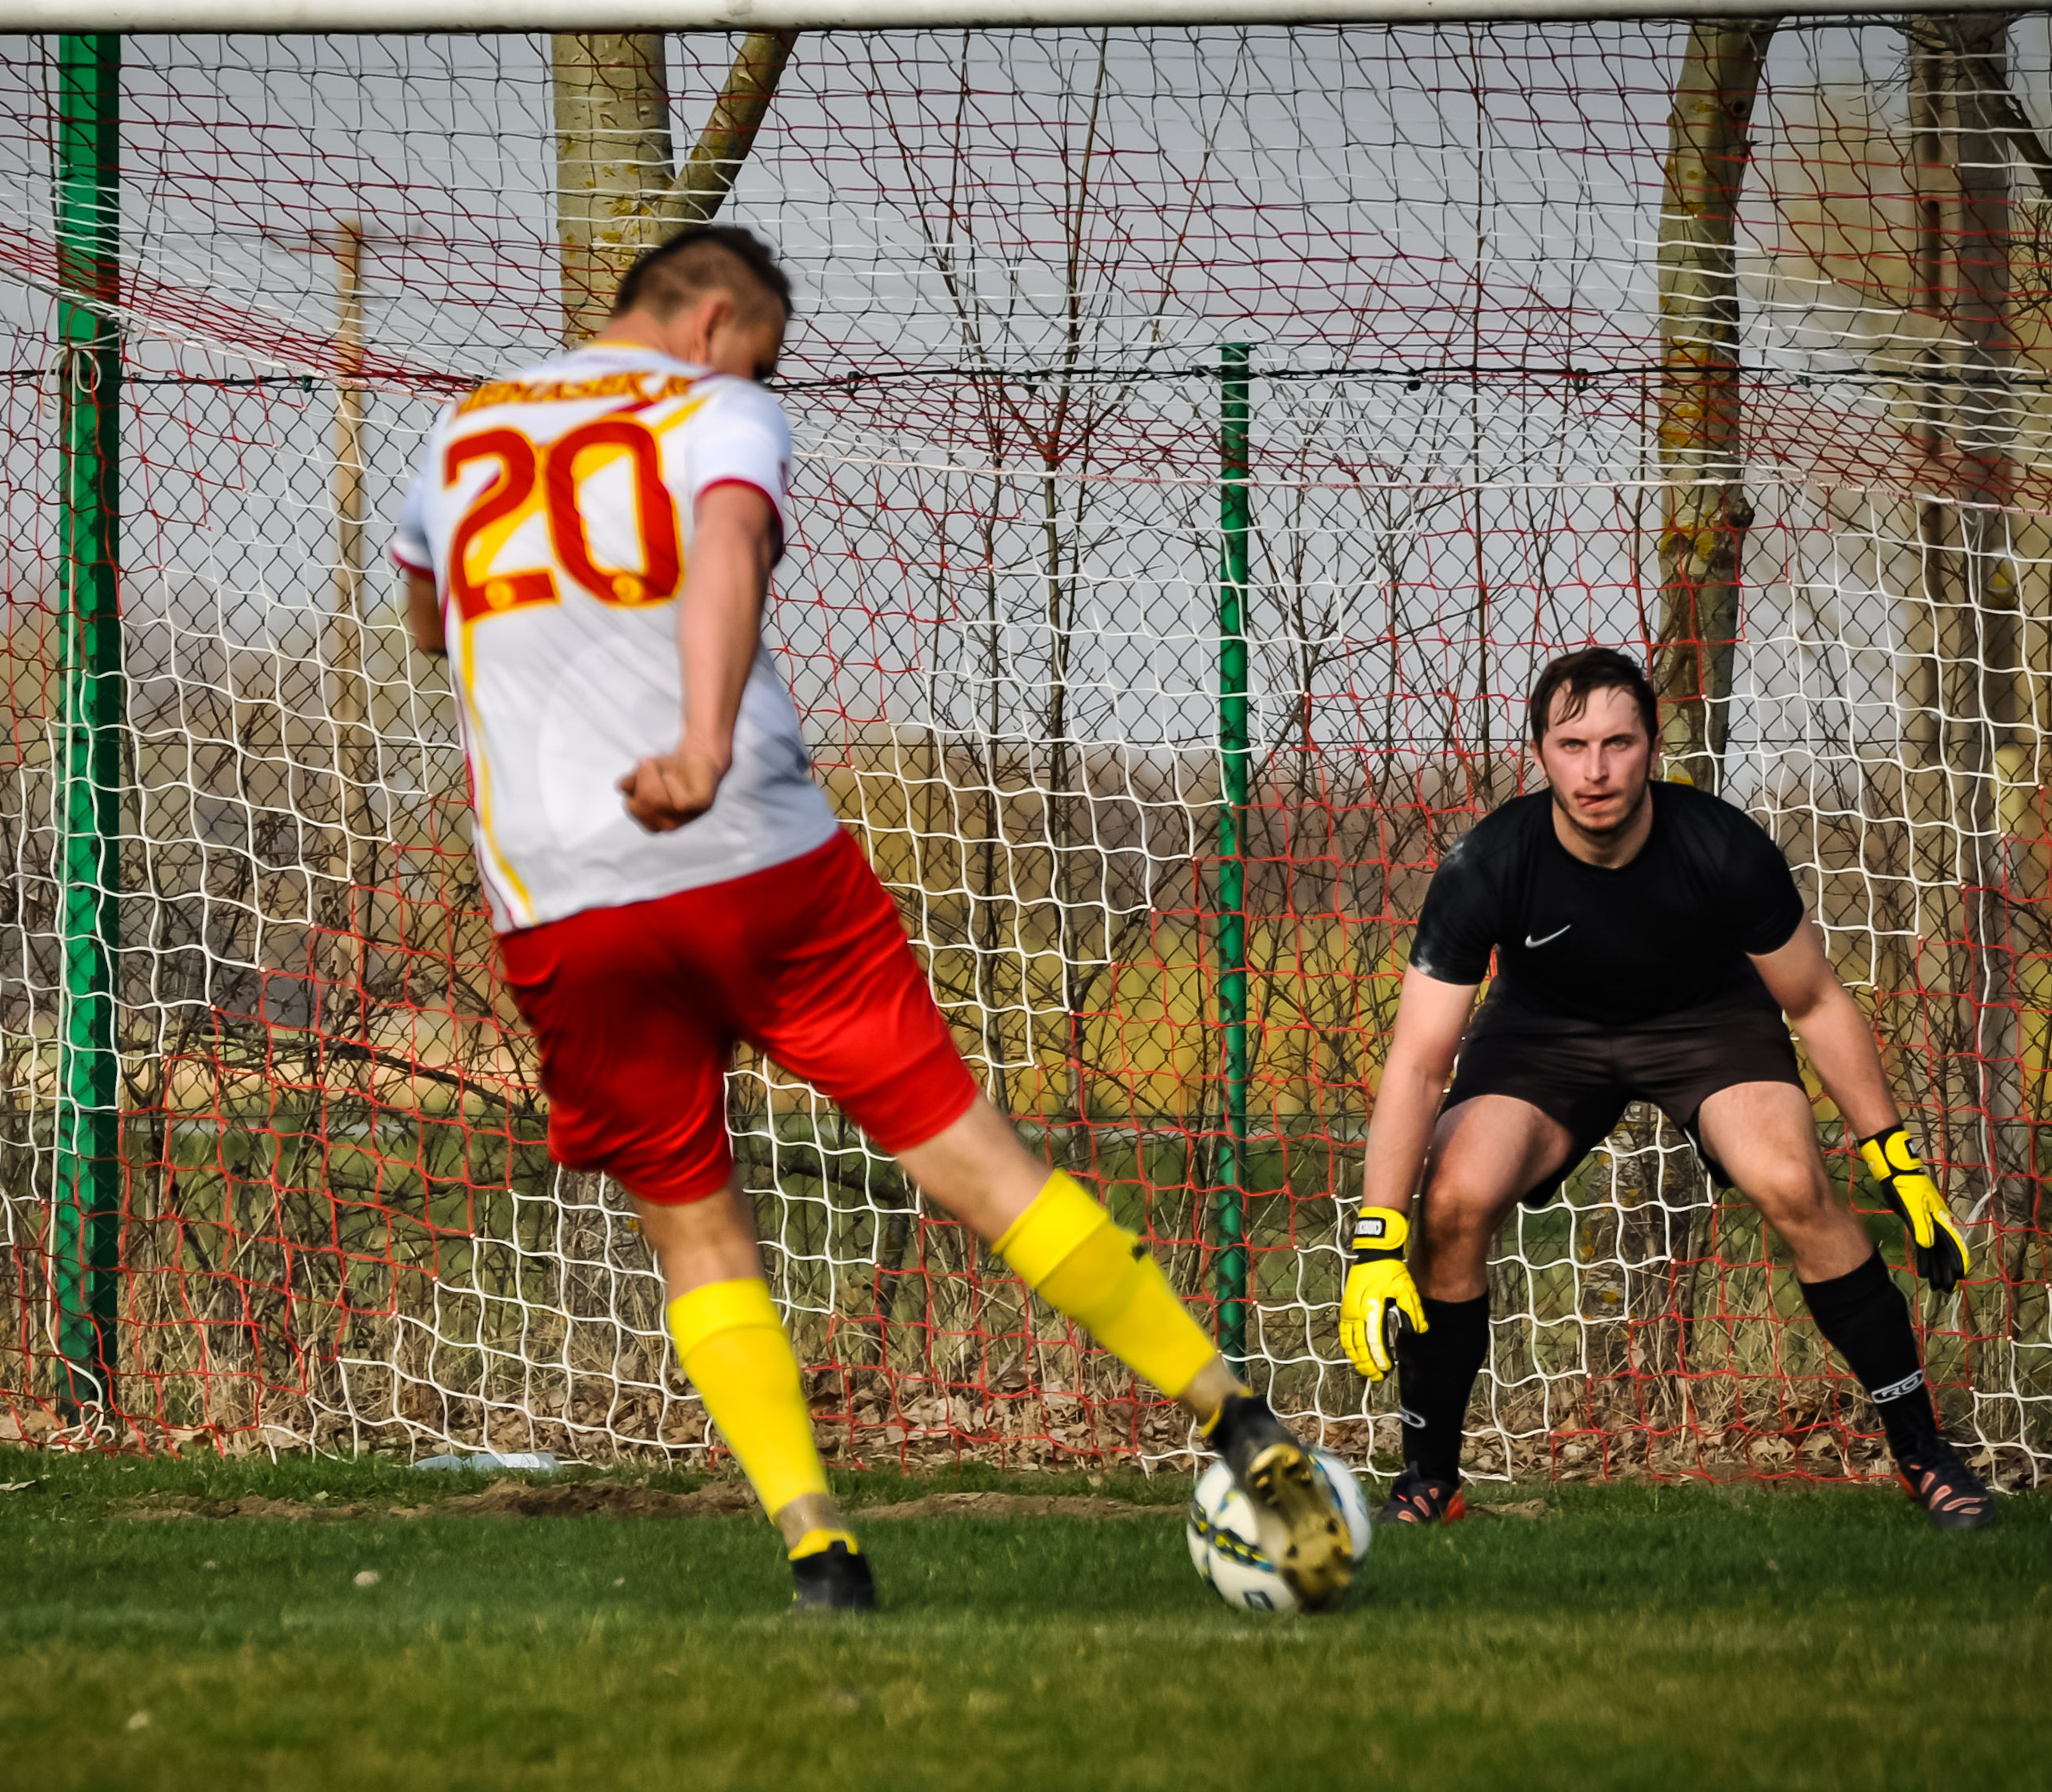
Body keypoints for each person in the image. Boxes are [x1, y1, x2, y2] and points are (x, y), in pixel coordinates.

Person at [392, 224, 1351, 1610]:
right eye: (768, 350)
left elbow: (427, 626)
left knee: (697, 1226)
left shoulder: (459, 430)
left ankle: (817, 1545)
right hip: (757, 858)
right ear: (715, 321)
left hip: (562, 895)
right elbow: (728, 541)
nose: (768, 373)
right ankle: (1235, 1414)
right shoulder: (713, 403)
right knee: (973, 1156)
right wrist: (704, 738)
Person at [1338, 646, 1994, 1530]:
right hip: (1546, 1036)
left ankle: (1922, 1450)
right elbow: (1417, 1063)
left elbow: (1817, 999)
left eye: (1618, 741)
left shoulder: (1720, 845)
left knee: (1795, 1183)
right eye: (1573, 744)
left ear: (1652, 745)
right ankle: (1429, 1480)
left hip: (1705, 1025)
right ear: (1539, 752)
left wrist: (1897, 1157)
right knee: (1453, 1197)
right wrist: (1379, 1239)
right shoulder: (1489, 862)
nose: (1596, 768)